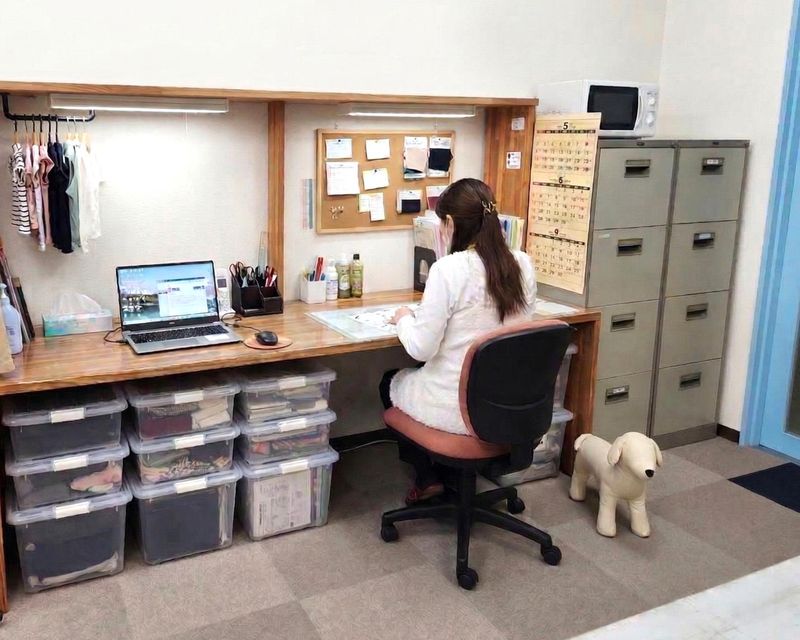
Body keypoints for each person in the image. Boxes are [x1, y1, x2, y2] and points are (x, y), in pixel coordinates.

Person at [380, 178, 537, 504]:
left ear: (450, 223)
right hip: (508, 407)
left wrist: (404, 318)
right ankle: (454, 475)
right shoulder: (522, 263)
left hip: (458, 409)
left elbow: (421, 348)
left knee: (389, 382)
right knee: (424, 375)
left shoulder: (447, 270)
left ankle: (429, 478)